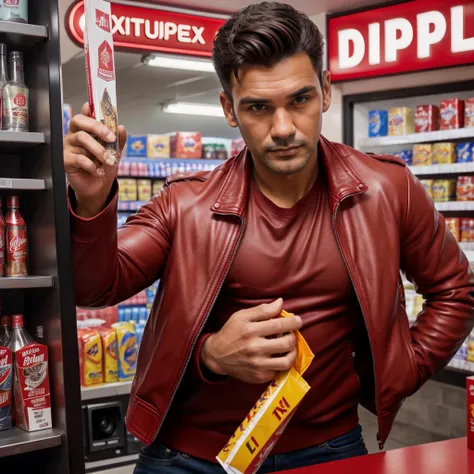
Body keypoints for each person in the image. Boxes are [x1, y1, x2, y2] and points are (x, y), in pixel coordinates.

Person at [64, 2, 474, 473]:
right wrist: (93, 202)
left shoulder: (388, 190)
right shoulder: (185, 204)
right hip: (189, 456)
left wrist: (403, 369)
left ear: (325, 90)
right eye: (258, 107)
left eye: (299, 100)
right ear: (229, 110)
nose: (283, 129)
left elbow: (455, 291)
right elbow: (97, 288)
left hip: (329, 446)